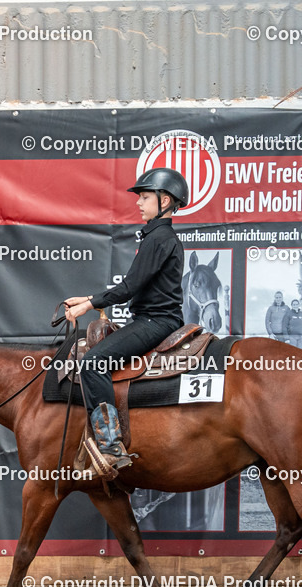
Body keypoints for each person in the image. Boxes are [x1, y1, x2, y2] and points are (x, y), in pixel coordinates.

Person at [63, 168, 188, 468]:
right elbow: (130, 286)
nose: (139, 203)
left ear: (165, 200)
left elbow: (129, 287)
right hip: (154, 320)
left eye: (145, 197)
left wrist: (87, 306)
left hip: (155, 322)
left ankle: (110, 446)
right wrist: (88, 299)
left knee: (93, 364)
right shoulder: (158, 237)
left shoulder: (158, 239)